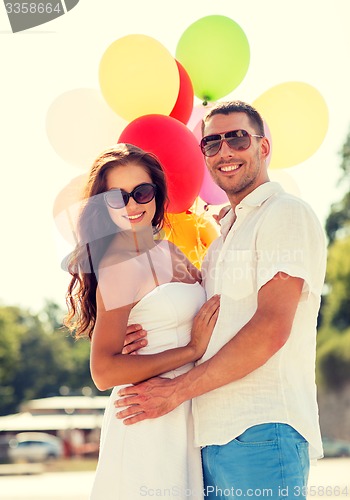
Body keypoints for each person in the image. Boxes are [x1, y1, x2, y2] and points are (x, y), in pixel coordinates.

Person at [115, 102, 327, 499]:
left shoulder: (285, 213)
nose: (224, 151)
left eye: (237, 138)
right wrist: (145, 336)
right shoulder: (220, 242)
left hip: (264, 429)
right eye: (211, 143)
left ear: (264, 148)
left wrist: (176, 391)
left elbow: (270, 329)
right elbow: (203, 321)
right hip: (210, 438)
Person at [64, 143, 220, 499]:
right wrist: (191, 349)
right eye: (117, 197)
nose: (132, 205)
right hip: (144, 420)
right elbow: (103, 372)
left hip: (183, 415)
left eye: (142, 192)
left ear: (157, 193)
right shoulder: (117, 264)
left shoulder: (168, 250)